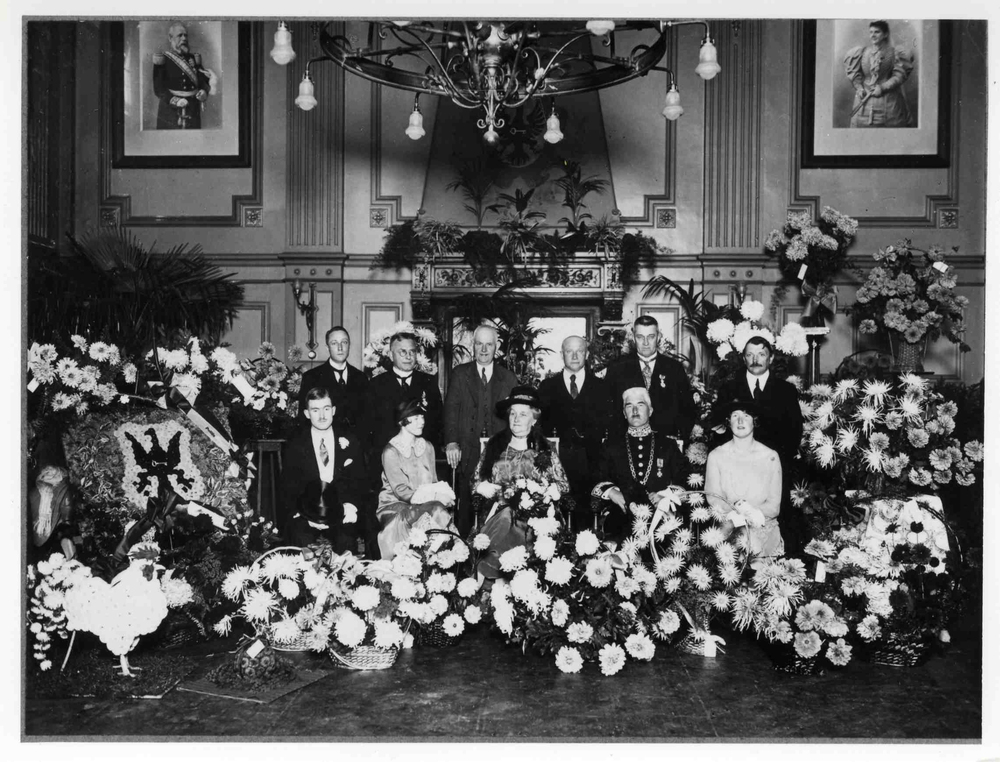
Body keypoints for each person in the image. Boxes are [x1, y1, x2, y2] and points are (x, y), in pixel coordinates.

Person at [713, 335, 804, 554]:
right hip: (735, 470)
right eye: (750, 355)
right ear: (743, 358)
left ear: (770, 358)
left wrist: (773, 463)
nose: (755, 360)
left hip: (773, 470)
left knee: (777, 530)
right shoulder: (729, 388)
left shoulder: (785, 390)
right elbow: (719, 431)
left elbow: (794, 433)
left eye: (761, 354)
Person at [472, 386, 569, 578]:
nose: (516, 419)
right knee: (507, 516)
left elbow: (563, 485)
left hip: (537, 517)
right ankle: (494, 576)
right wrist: (484, 487)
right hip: (499, 514)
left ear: (534, 419)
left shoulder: (544, 449)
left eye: (523, 414)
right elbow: (475, 482)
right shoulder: (495, 446)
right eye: (513, 414)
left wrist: (548, 492)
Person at [364, 331, 444, 558]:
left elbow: (437, 422)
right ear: (391, 355)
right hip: (386, 463)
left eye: (412, 351)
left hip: (421, 462)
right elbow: (368, 426)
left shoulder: (427, 382)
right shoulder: (377, 384)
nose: (408, 356)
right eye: (402, 352)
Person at [443, 324, 518, 536]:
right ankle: (464, 553)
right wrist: (451, 442)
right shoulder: (460, 374)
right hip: (467, 452)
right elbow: (451, 410)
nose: (484, 350)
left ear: (497, 347)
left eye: (489, 344)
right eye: (479, 344)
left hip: (499, 455)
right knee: (466, 510)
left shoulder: (509, 378)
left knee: (499, 510)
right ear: (473, 346)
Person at [591, 387, 689, 542]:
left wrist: (666, 495)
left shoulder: (667, 445)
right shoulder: (611, 445)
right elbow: (597, 475)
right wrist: (612, 492)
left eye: (640, 405)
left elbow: (684, 478)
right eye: (629, 406)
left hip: (661, 516)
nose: (635, 410)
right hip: (621, 517)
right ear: (624, 413)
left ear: (650, 411)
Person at [278, 387, 366, 552]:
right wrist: (304, 514)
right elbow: (289, 486)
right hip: (306, 511)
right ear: (307, 414)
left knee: (346, 540)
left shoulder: (350, 440)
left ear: (333, 410)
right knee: (300, 539)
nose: (322, 416)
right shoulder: (296, 444)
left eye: (326, 409)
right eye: (315, 410)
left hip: (341, 509)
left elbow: (359, 480)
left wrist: (350, 507)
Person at [537, 336, 611, 524]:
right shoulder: (547, 387)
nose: (575, 356)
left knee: (587, 524)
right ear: (562, 354)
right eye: (570, 351)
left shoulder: (602, 388)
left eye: (580, 351)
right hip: (557, 469)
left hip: (591, 470)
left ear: (587, 354)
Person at [377, 399, 456, 560]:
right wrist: (435, 497)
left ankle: (437, 559)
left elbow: (433, 482)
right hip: (396, 505)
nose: (422, 422)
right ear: (402, 421)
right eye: (415, 418)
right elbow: (401, 491)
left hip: (424, 504)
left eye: (422, 417)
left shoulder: (427, 446)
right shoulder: (391, 451)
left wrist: (443, 495)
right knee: (437, 509)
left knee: (439, 510)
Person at [705, 400, 783, 561]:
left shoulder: (771, 456)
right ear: (728, 421)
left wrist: (750, 513)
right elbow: (713, 499)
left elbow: (774, 506)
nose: (740, 421)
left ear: (755, 421)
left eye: (746, 416)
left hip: (764, 532)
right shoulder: (716, 456)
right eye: (735, 416)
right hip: (728, 532)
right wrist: (737, 515)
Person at [605, 315, 696, 445]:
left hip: (665, 445)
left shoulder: (674, 368)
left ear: (658, 337)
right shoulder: (617, 367)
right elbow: (609, 410)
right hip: (627, 445)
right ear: (633, 337)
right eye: (640, 337)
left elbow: (687, 410)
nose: (646, 343)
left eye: (651, 337)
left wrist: (678, 442)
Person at [299, 326, 370, 442]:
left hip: (356, 443)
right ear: (327, 347)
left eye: (344, 342)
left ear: (349, 345)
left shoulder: (361, 377)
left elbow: (367, 417)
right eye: (334, 343)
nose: (340, 348)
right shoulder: (311, 377)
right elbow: (303, 419)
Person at [843, 20, 915, 128]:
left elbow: (899, 75)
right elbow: (854, 74)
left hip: (890, 102)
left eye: (877, 32)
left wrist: (882, 87)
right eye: (871, 32)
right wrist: (859, 88)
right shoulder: (861, 52)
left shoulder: (894, 53)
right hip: (864, 101)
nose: (873, 35)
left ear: (885, 34)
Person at [152, 22, 216, 130]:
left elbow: (202, 80)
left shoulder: (194, 58)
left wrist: (204, 91)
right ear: (170, 38)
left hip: (192, 110)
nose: (184, 38)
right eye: (180, 35)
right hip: (170, 112)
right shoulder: (163, 59)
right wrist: (176, 101)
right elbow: (158, 88)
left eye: (185, 35)